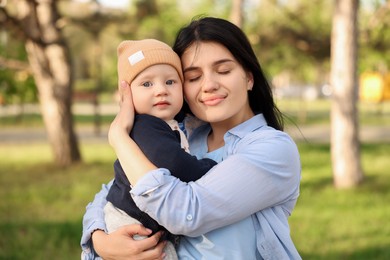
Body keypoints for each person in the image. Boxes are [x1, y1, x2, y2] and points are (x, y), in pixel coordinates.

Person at [81, 16, 301, 260]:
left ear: (249, 77)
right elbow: (110, 191)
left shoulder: (272, 149)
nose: (208, 85)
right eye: (193, 78)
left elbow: (186, 212)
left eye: (224, 70)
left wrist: (120, 139)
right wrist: (99, 239)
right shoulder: (182, 137)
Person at [104, 39, 217, 260]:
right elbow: (174, 162)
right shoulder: (145, 126)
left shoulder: (169, 123)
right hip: (132, 223)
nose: (161, 91)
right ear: (127, 95)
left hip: (146, 222)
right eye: (147, 84)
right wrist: (210, 167)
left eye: (170, 82)